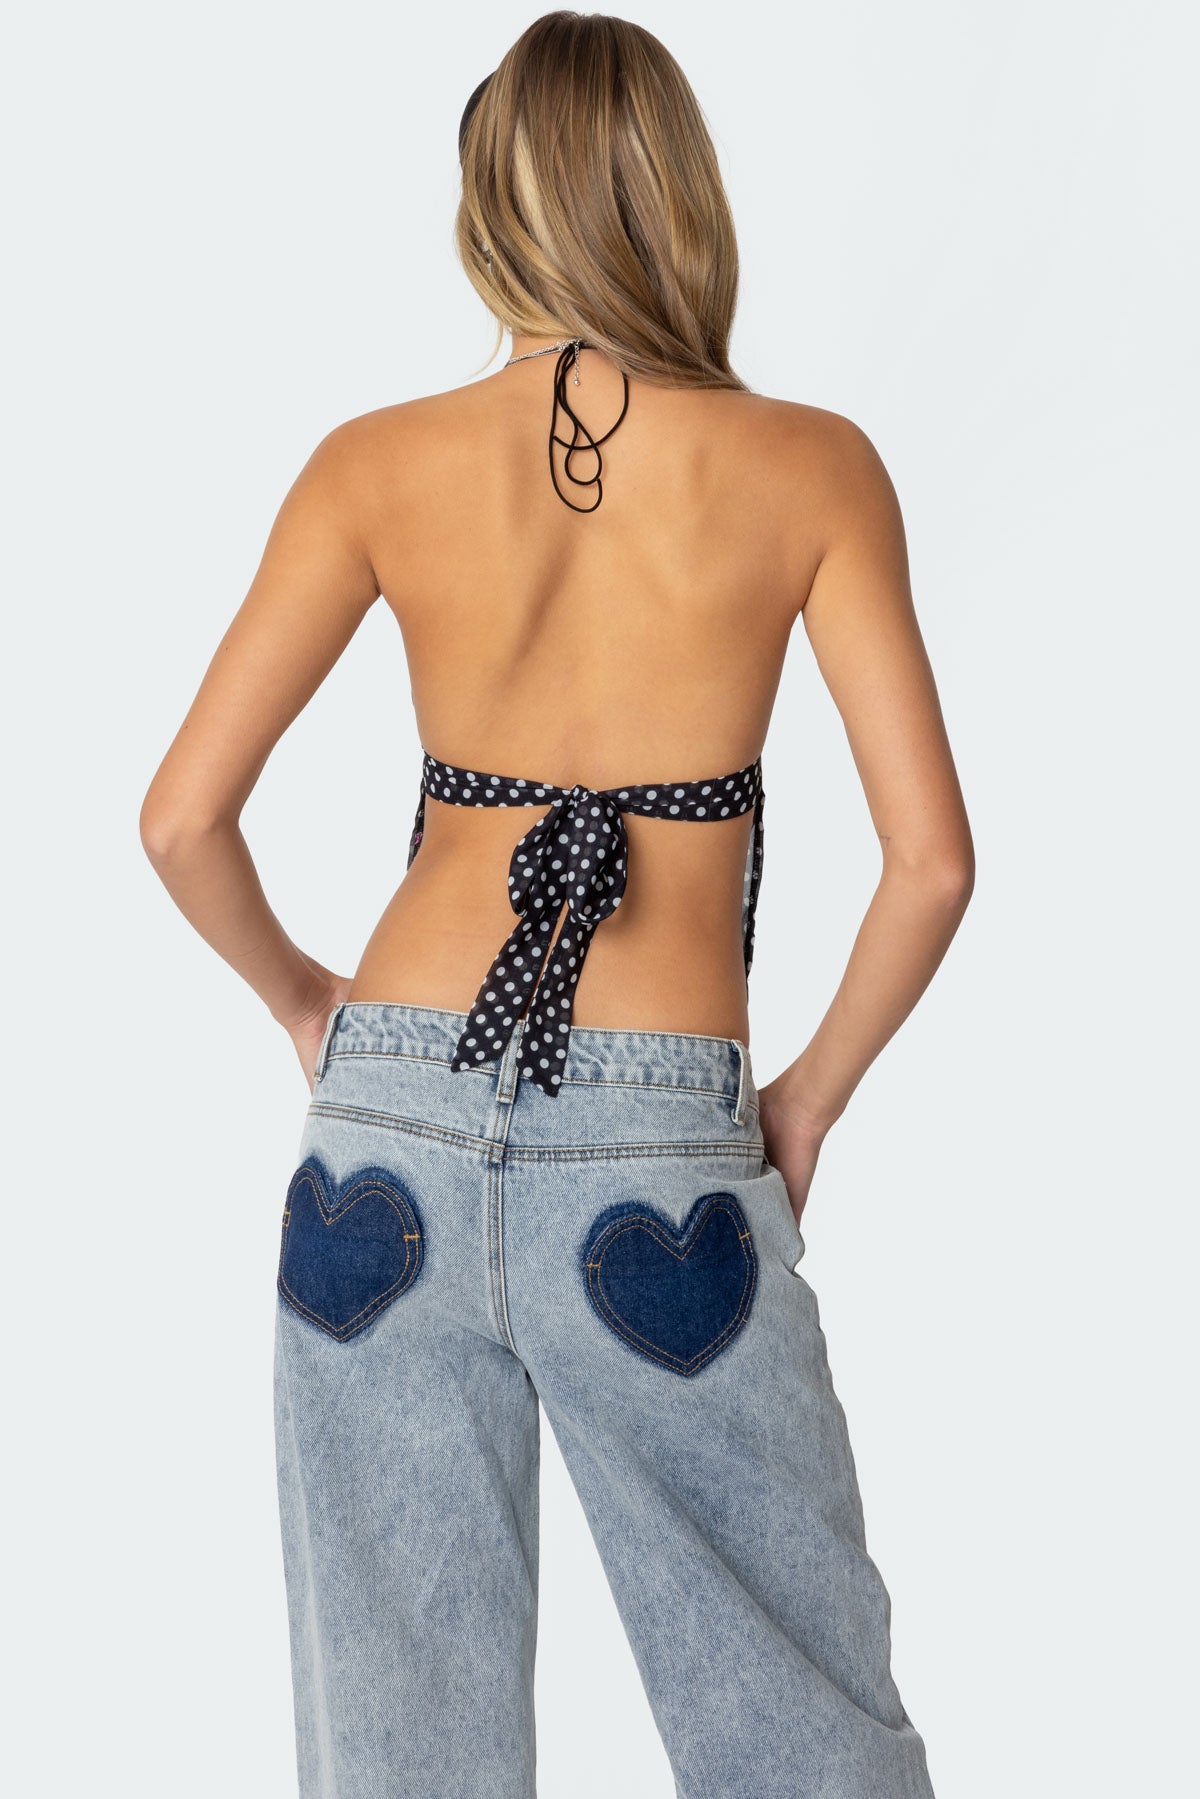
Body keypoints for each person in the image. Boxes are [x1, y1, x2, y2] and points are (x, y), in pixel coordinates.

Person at [140, 12, 973, 1797]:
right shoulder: (810, 466)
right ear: (678, 194)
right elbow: (933, 864)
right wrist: (804, 1104)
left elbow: (183, 817)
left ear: (484, 204)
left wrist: (310, 1007)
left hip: (383, 1129)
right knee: (801, 1724)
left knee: (399, 1751)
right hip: (659, 1143)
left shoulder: (373, 462)